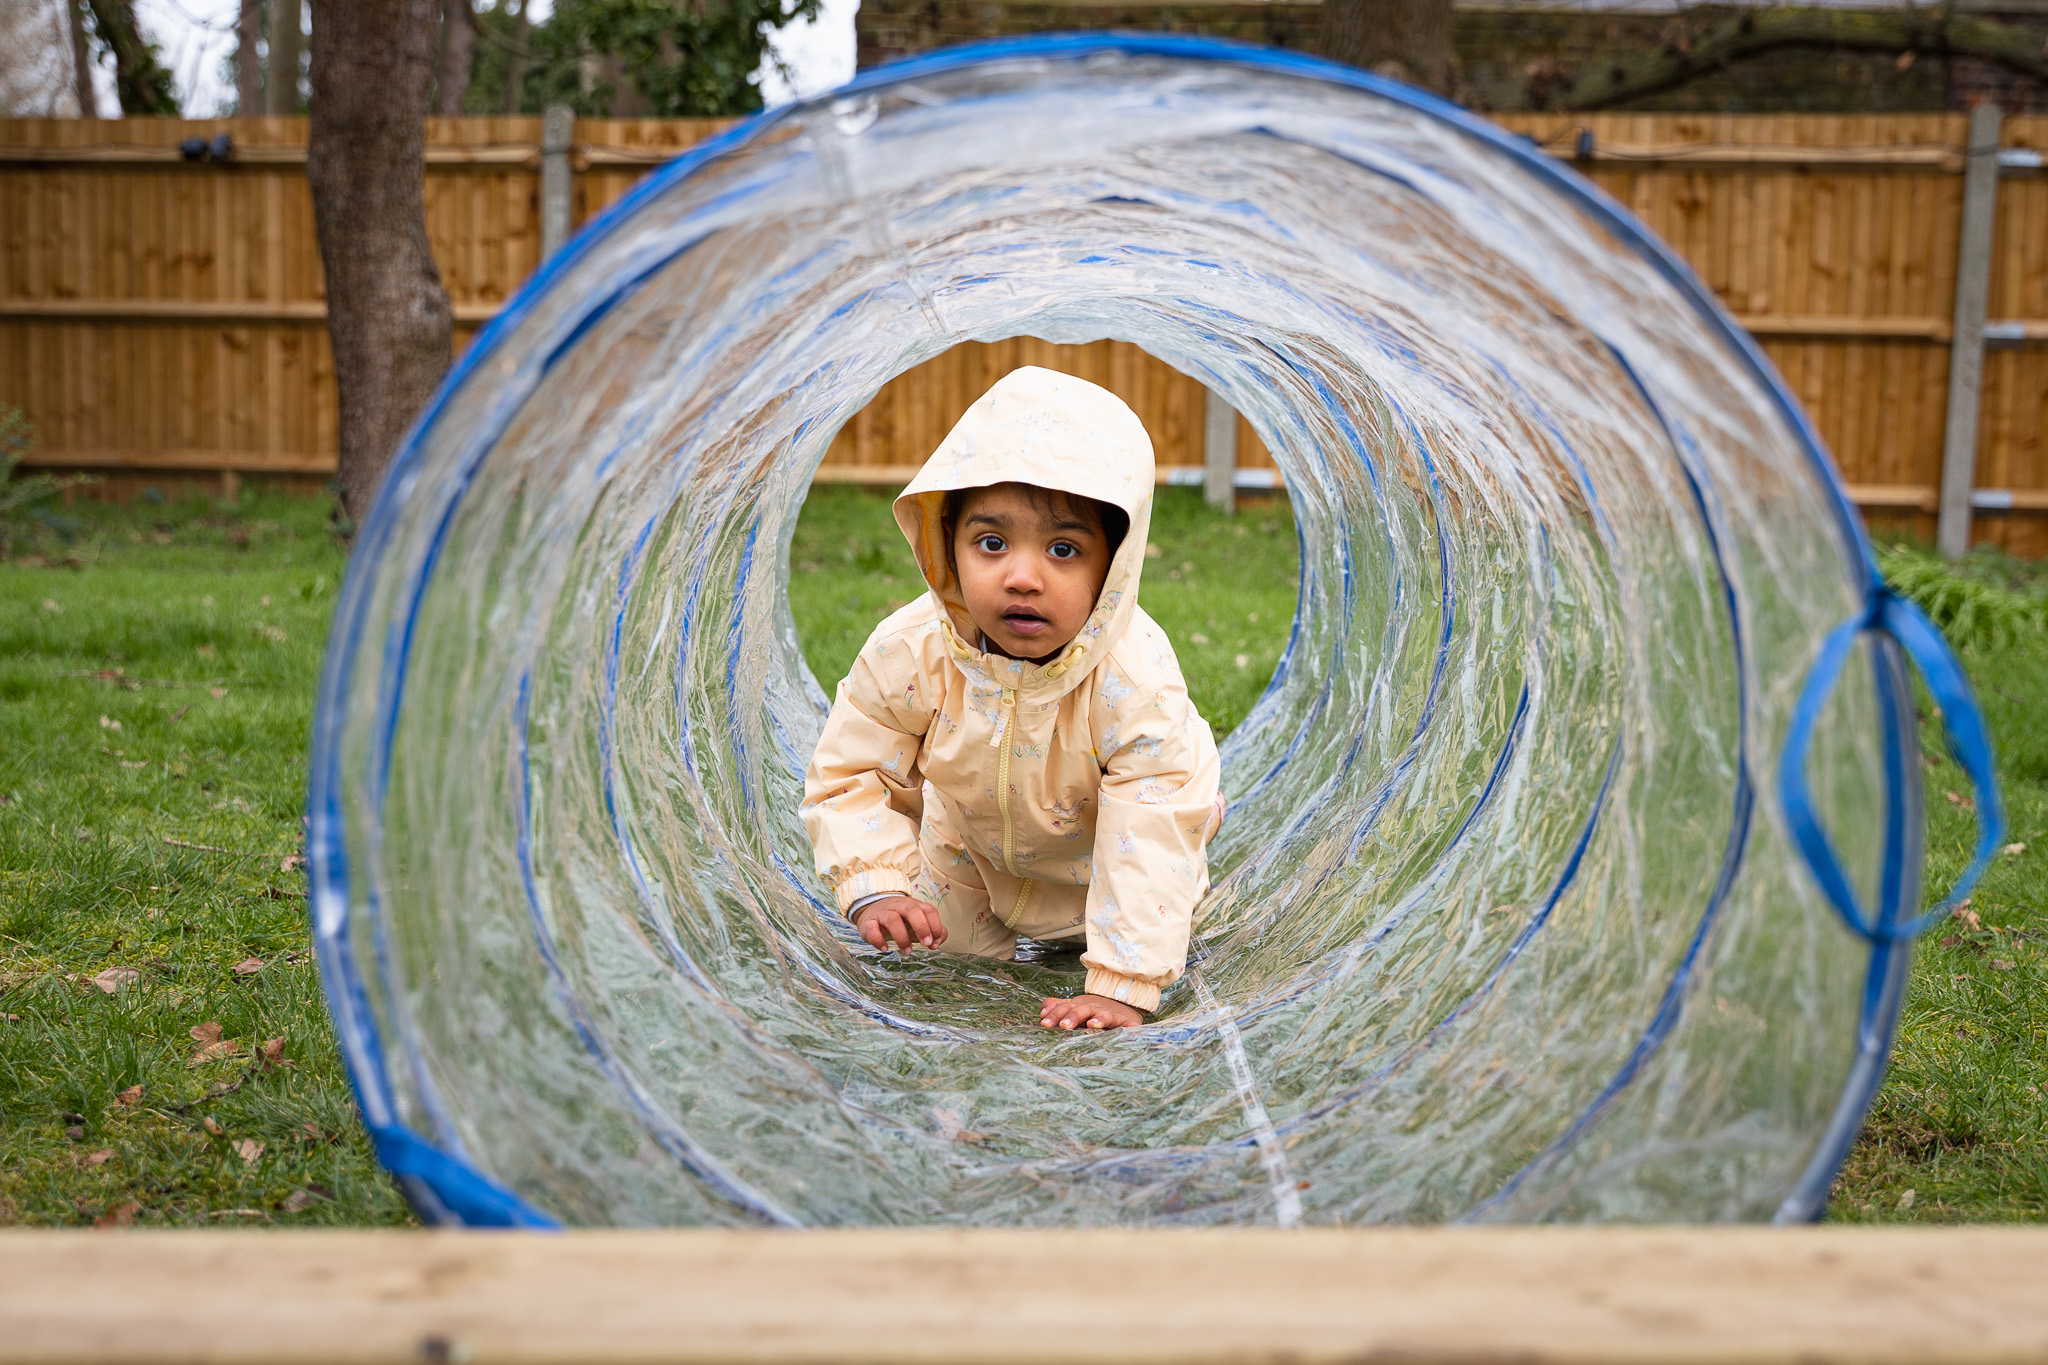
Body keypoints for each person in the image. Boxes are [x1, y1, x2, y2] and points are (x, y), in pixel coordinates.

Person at [802, 366, 1224, 1031]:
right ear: (947, 546)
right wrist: (876, 881)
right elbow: (852, 769)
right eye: (992, 543)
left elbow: (1151, 827)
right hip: (968, 849)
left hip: (1103, 851)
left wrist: (1124, 984)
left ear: (1113, 565)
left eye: (1064, 549)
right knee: (943, 972)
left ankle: (1166, 878)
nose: (1022, 577)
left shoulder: (1134, 680)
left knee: (1162, 859)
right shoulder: (912, 652)